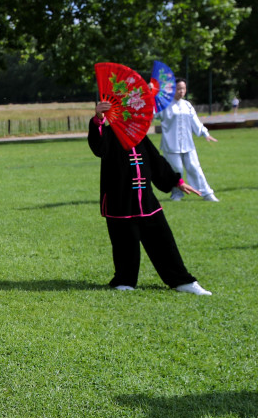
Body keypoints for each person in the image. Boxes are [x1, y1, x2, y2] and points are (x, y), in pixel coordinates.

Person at [89, 101, 211, 295]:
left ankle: (182, 281)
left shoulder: (139, 136)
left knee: (163, 241)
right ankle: (125, 280)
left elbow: (155, 161)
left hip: (146, 202)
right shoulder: (109, 135)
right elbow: (98, 147)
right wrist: (98, 120)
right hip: (119, 202)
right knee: (124, 244)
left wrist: (176, 182)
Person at [159, 78, 219, 202]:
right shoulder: (164, 105)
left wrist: (204, 133)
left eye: (183, 89)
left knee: (194, 167)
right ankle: (176, 194)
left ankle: (207, 193)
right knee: (176, 170)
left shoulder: (187, 105)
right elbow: (152, 113)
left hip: (187, 144)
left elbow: (195, 121)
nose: (181, 91)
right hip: (171, 145)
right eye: (178, 89)